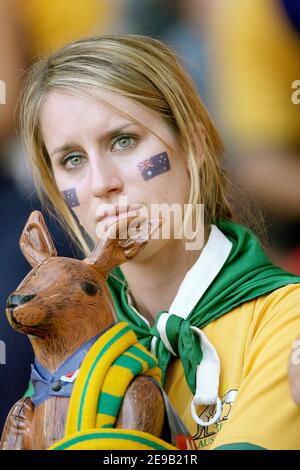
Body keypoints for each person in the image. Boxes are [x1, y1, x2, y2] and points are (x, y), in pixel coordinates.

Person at [18, 34, 300, 450]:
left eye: (123, 141)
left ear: (194, 145)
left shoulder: (286, 318)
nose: (101, 184)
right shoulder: (69, 340)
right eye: (72, 160)